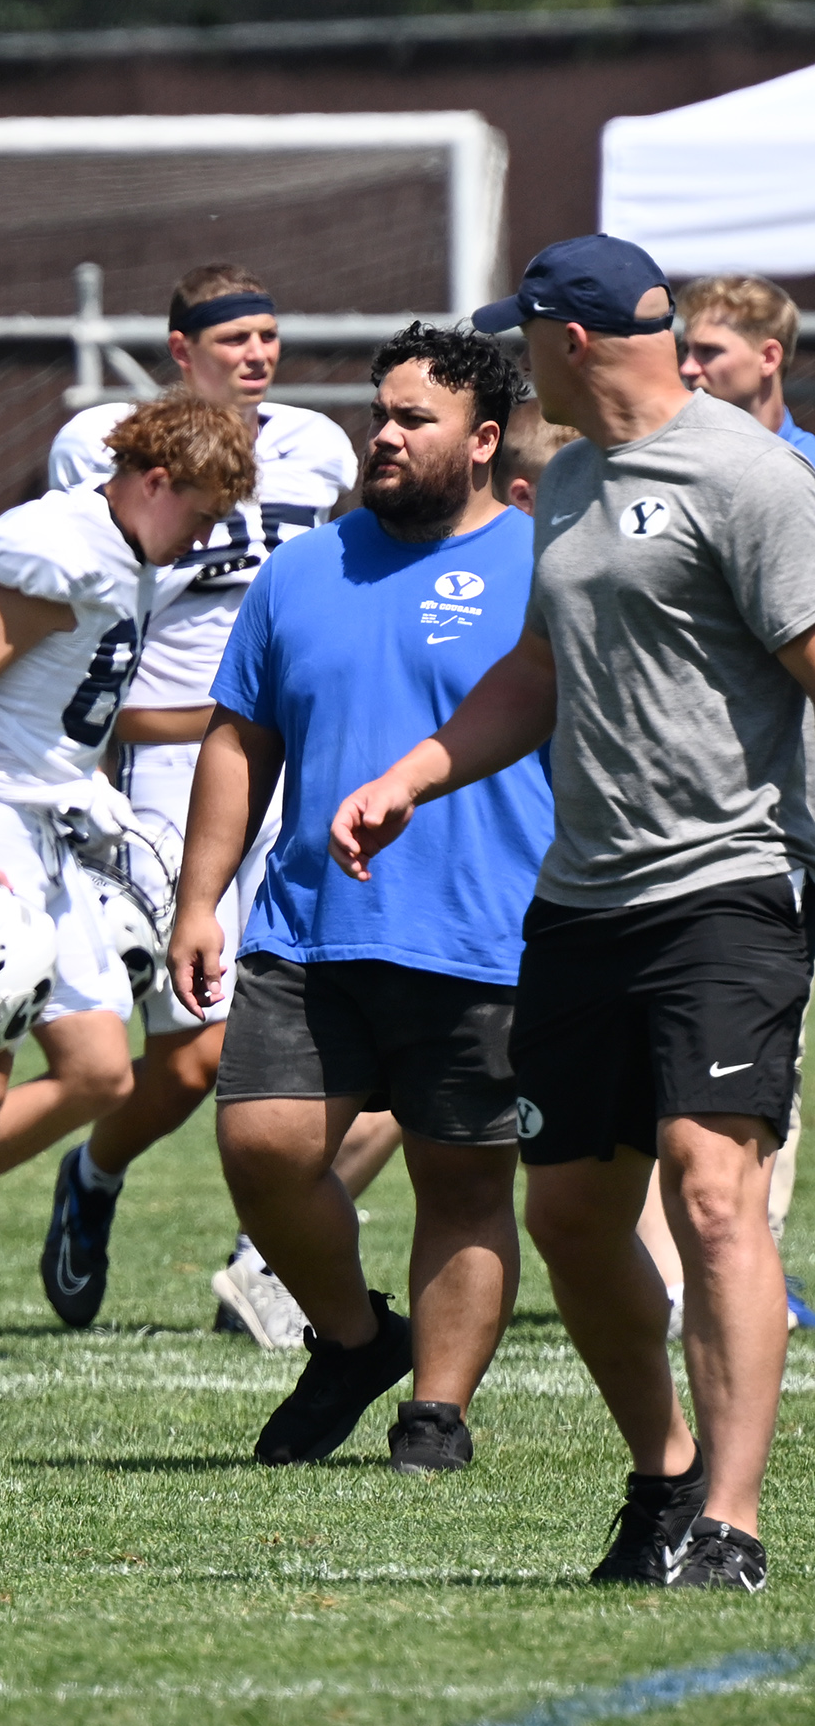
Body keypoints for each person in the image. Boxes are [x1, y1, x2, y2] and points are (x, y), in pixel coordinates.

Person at [334, 235, 815, 1592]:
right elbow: (538, 671)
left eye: (524, 335)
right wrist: (411, 778)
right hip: (584, 897)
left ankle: (733, 1517)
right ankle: (663, 1475)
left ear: (573, 340)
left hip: (728, 882)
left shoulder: (750, 480)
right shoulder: (574, 482)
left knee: (711, 1187)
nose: (517, 352)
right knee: (570, 1222)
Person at [171, 323, 536, 1474]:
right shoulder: (301, 568)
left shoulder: (542, 564)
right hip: (307, 924)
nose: (382, 434)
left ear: (481, 441)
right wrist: (199, 899)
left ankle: (437, 1409)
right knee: (263, 1146)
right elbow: (240, 740)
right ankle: (354, 1339)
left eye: (412, 419)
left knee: (464, 1175)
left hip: (486, 925)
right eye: (380, 412)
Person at [0, 266, 358, 1337]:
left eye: (270, 335)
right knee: (190, 1054)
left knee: (339, 1017)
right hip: (162, 772)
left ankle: (268, 1255)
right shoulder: (106, 442)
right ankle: (92, 1177)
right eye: (233, 337)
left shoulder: (320, 449)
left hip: (293, 766)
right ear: (179, 347)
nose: (257, 355)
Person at [0, 393, 257, 1345]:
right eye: (198, 509)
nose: (202, 534)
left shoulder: (126, 552)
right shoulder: (64, 543)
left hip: (49, 821)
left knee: (97, 1074)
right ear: (154, 480)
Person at [675, 275, 815, 468]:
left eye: (708, 351)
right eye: (686, 351)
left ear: (768, 358)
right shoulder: (671, 462)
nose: (687, 368)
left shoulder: (808, 466)